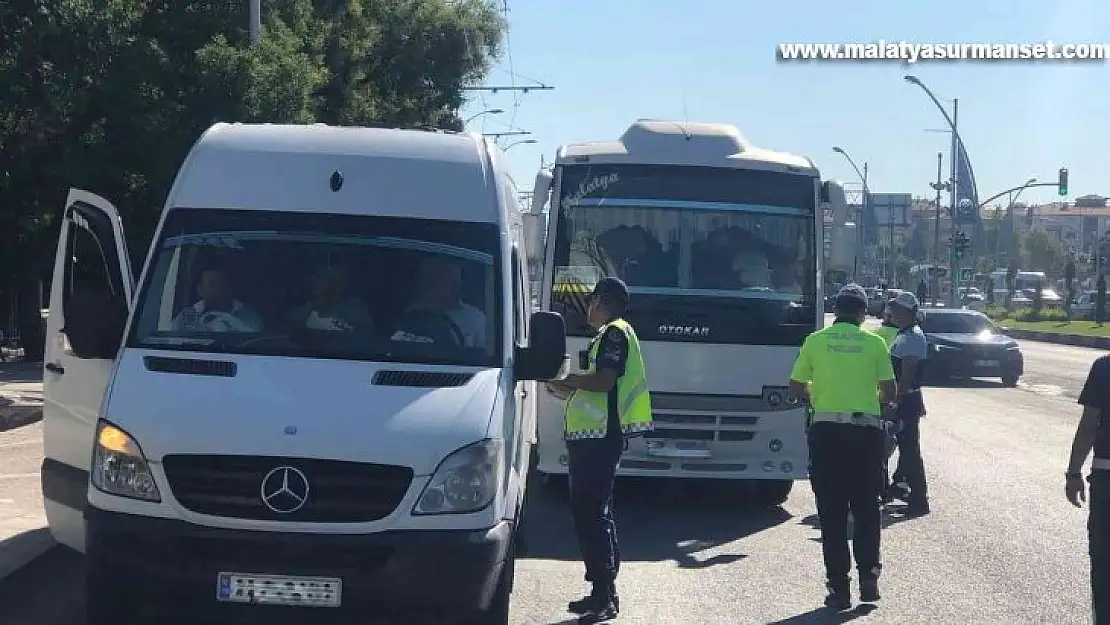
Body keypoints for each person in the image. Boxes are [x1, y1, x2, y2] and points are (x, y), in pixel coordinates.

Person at [545, 277, 653, 624]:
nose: (587, 308)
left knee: (593, 513)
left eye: (591, 302)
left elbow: (604, 382)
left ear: (604, 302)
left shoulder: (615, 333)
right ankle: (599, 592)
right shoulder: (605, 336)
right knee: (589, 512)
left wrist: (568, 377)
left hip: (599, 438)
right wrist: (560, 385)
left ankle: (605, 595)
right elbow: (593, 390)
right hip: (589, 438)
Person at [788, 283, 897, 611]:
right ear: (863, 313)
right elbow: (889, 392)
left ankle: (838, 588)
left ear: (836, 310)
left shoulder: (815, 341)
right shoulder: (875, 343)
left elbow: (795, 387)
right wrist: (868, 399)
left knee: (832, 513)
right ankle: (869, 579)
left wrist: (816, 396)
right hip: (865, 435)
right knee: (866, 509)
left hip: (826, 434)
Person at [1066, 355, 1110, 624]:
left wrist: (1073, 472)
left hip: (1107, 477)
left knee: (1104, 560)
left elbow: (1089, 424)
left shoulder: (1105, 368)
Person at [885, 292, 930, 516]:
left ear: (908, 313)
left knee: (909, 450)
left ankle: (919, 500)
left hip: (906, 399)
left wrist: (895, 402)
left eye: (897, 309)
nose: (892, 312)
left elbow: (907, 375)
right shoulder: (903, 334)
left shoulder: (912, 336)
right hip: (908, 398)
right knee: (905, 447)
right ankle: (900, 486)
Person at [402, 256, 486, 347]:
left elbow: (483, 357)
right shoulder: (407, 315)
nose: (441, 283)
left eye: (447, 277)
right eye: (435, 276)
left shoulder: (476, 319)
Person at [171, 265, 263, 332]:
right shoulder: (186, 319)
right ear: (200, 290)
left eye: (223, 282)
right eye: (212, 284)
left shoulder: (249, 316)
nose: (219, 288)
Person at [287, 265, 374, 332]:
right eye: (322, 278)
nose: (330, 284)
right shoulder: (299, 315)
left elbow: (365, 340)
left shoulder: (357, 313)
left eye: (334, 279)